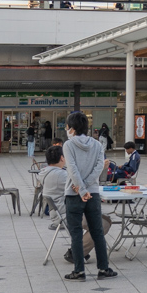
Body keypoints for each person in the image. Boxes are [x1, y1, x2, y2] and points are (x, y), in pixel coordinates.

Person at [60, 111, 115, 280]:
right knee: (97, 231)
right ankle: (104, 268)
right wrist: (87, 187)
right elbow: (99, 168)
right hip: (93, 193)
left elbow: (72, 169)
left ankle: (79, 270)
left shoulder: (68, 145)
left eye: (67, 126)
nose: (66, 129)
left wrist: (81, 189)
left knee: (76, 232)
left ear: (72, 128)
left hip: (74, 193)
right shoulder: (97, 145)